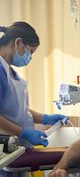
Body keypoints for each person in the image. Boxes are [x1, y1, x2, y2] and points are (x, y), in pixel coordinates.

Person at [0, 22, 67, 176]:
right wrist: (23, 132)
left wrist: (44, 118)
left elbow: (17, 108)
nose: (29, 58)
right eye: (30, 51)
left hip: (16, 148)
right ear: (18, 42)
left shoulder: (8, 70)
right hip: (4, 149)